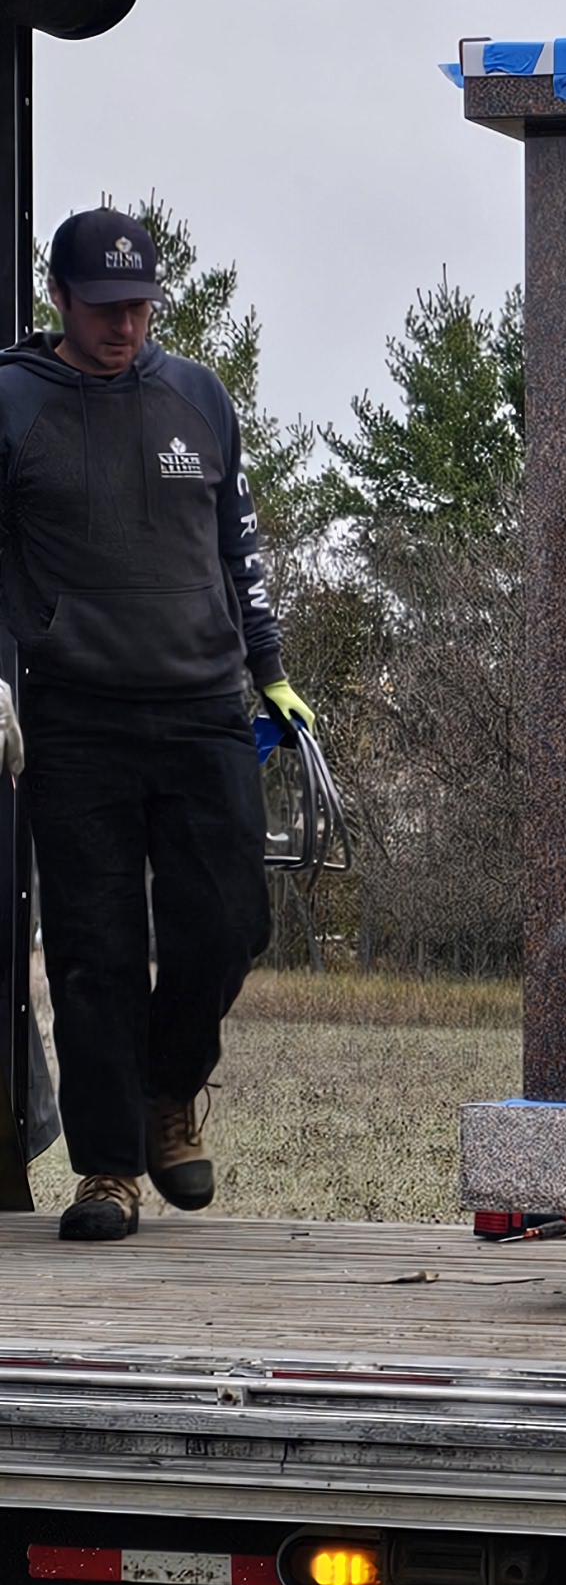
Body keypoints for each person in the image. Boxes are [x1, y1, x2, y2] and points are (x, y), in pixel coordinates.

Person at [0, 207, 317, 1241]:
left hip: (203, 706)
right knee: (93, 949)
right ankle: (108, 1170)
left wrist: (269, 672)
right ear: (59, 297)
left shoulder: (198, 396)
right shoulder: (13, 399)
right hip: (75, 715)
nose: (123, 325)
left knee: (230, 923)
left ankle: (167, 1090)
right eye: (103, 307)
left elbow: (240, 546)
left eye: (139, 305)